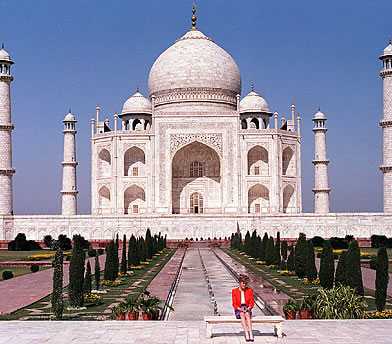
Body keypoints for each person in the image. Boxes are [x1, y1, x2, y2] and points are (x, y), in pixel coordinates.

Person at [232, 274, 255, 342]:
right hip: (238, 309)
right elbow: (234, 304)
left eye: (246, 283)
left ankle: (251, 333)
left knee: (247, 314)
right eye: (243, 283)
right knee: (242, 314)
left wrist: (249, 308)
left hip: (247, 308)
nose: (244, 285)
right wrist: (239, 309)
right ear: (239, 282)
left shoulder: (249, 290)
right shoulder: (234, 291)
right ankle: (246, 334)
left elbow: (252, 302)